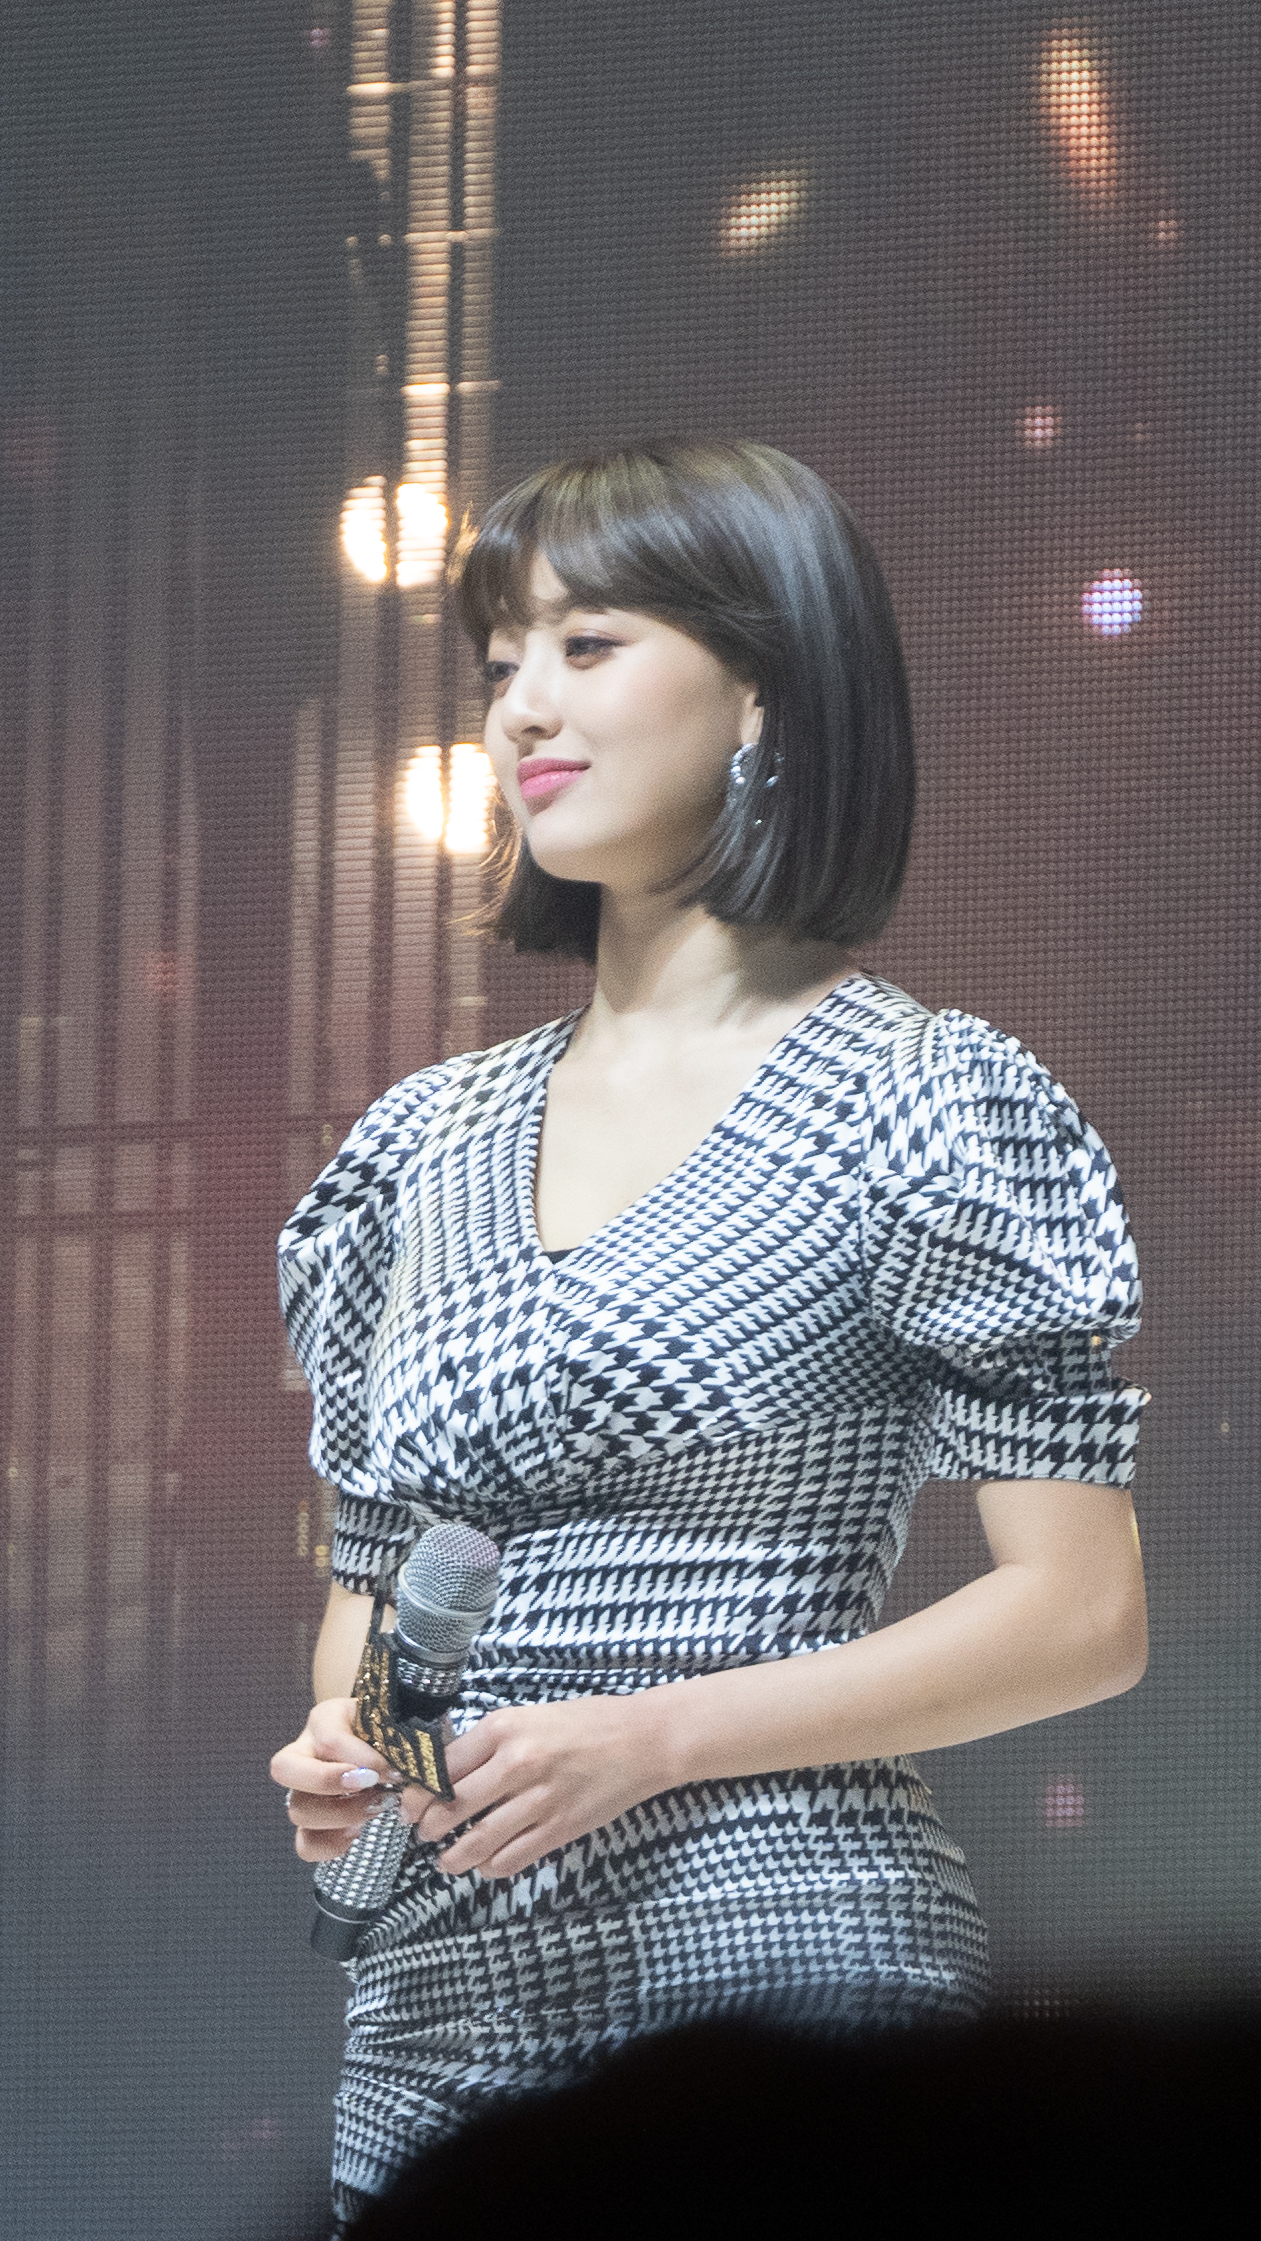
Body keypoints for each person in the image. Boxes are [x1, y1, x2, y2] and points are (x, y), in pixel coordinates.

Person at [269, 438, 1150, 2234]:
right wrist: (341, 1749)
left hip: (775, 1975)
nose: (523, 705)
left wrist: (648, 1735)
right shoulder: (417, 1146)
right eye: (500, 659)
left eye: (587, 645)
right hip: (437, 2007)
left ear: (764, 688)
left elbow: (1082, 1615)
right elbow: (380, 1582)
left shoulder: (921, 1099)